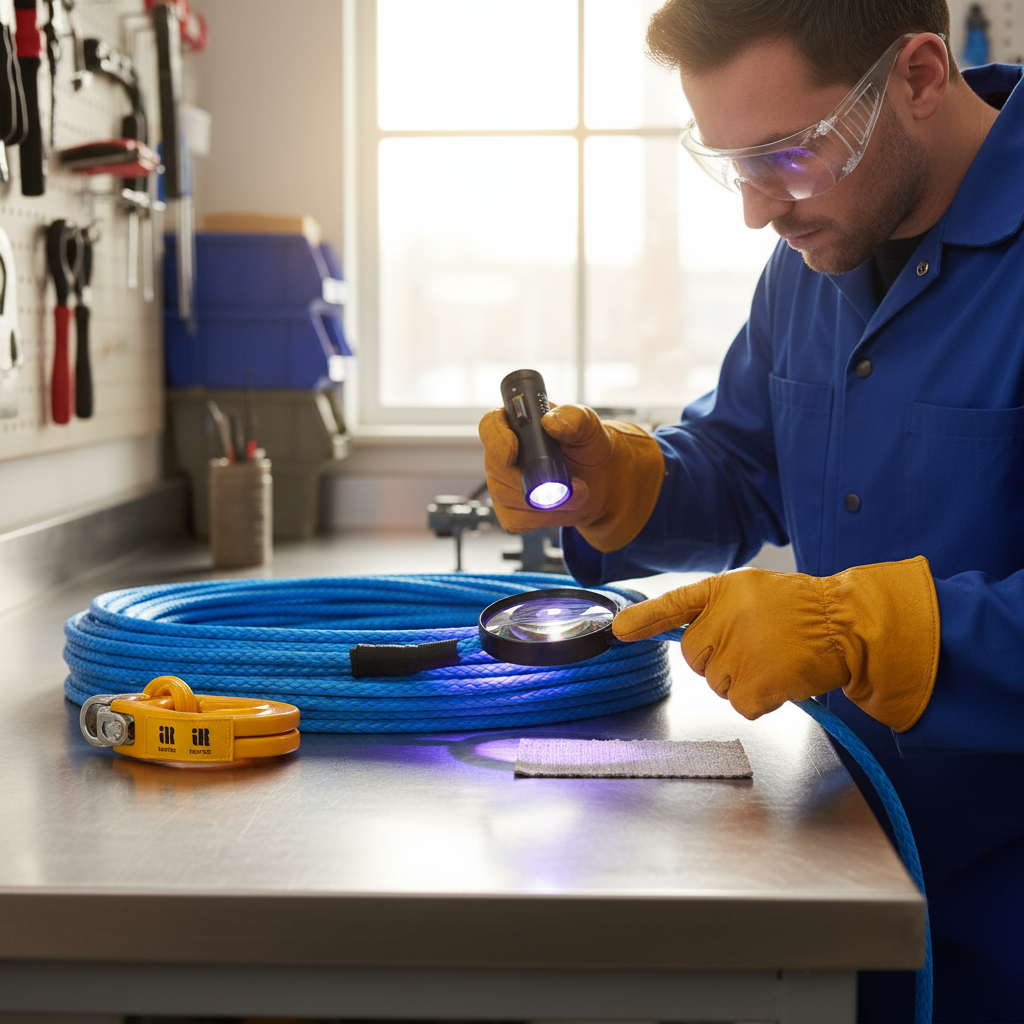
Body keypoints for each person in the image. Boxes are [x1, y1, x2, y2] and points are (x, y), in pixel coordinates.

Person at [478, 1, 1024, 1021]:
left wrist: (868, 626)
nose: (756, 208)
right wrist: (623, 484)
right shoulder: (813, 255)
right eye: (732, 162)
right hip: (846, 854)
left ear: (914, 75)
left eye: (788, 153)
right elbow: (741, 463)